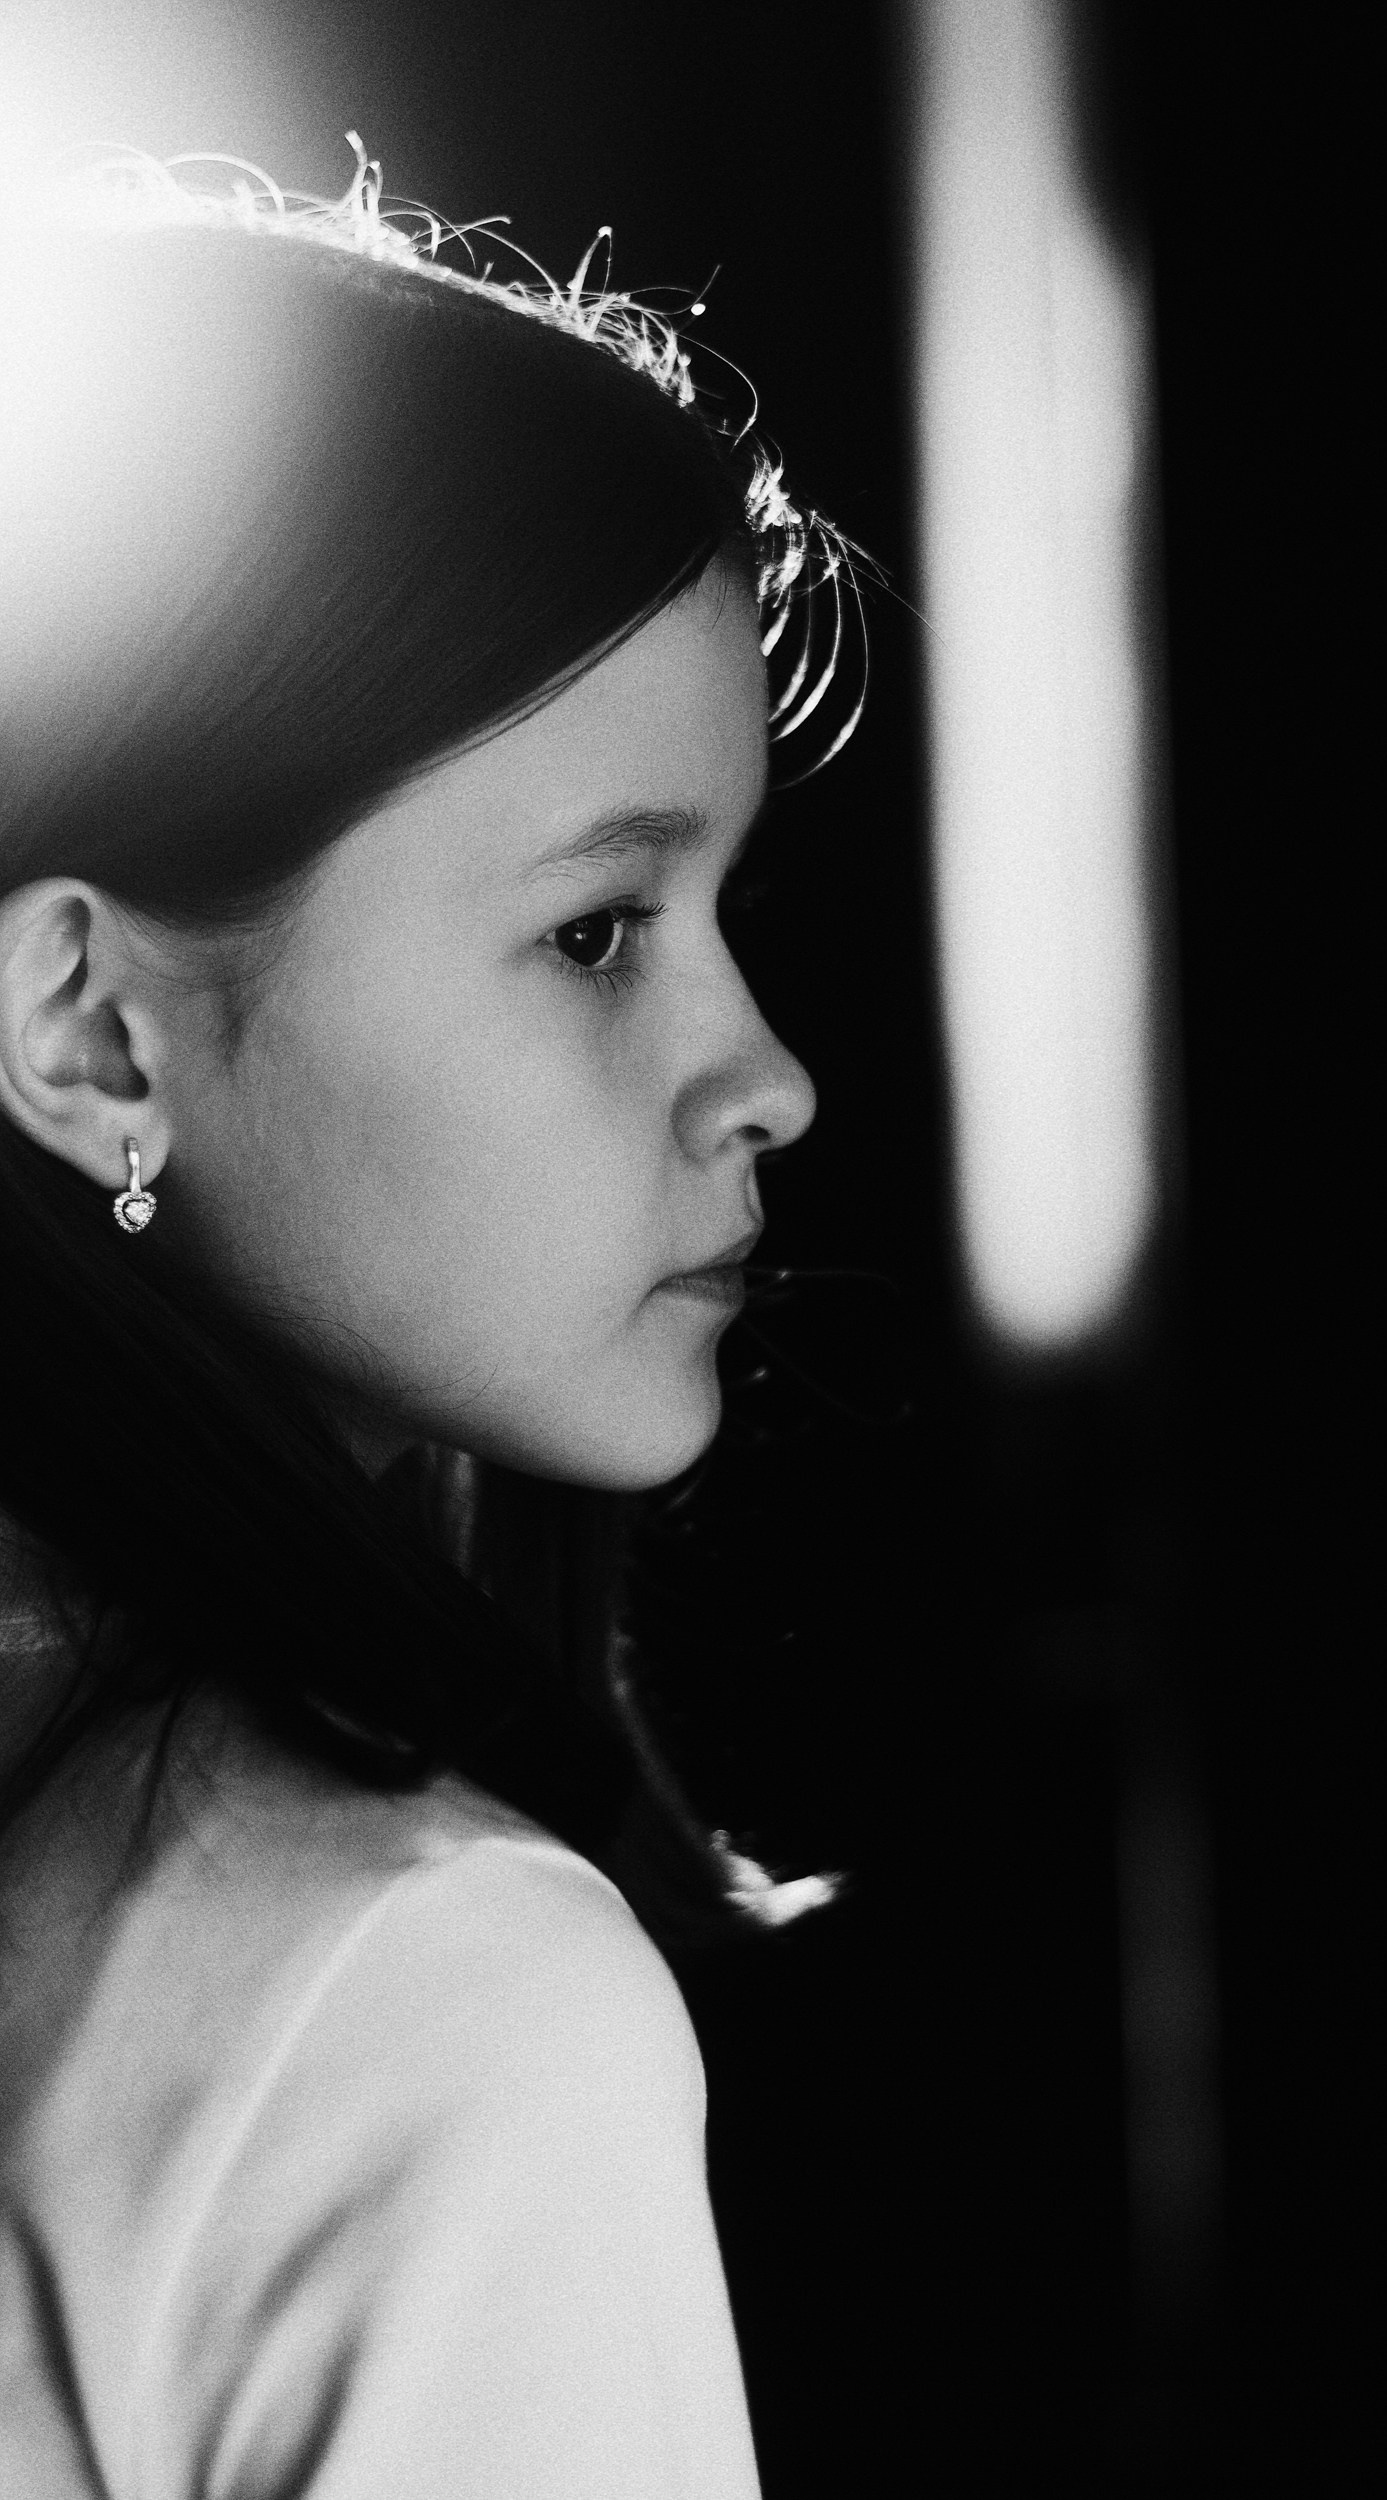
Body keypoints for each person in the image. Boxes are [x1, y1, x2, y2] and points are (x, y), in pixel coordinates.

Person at [0, 141, 862, 2496]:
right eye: (597, 930)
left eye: (724, 906)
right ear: (89, 1033)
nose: (764, 1074)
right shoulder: (426, 1990)